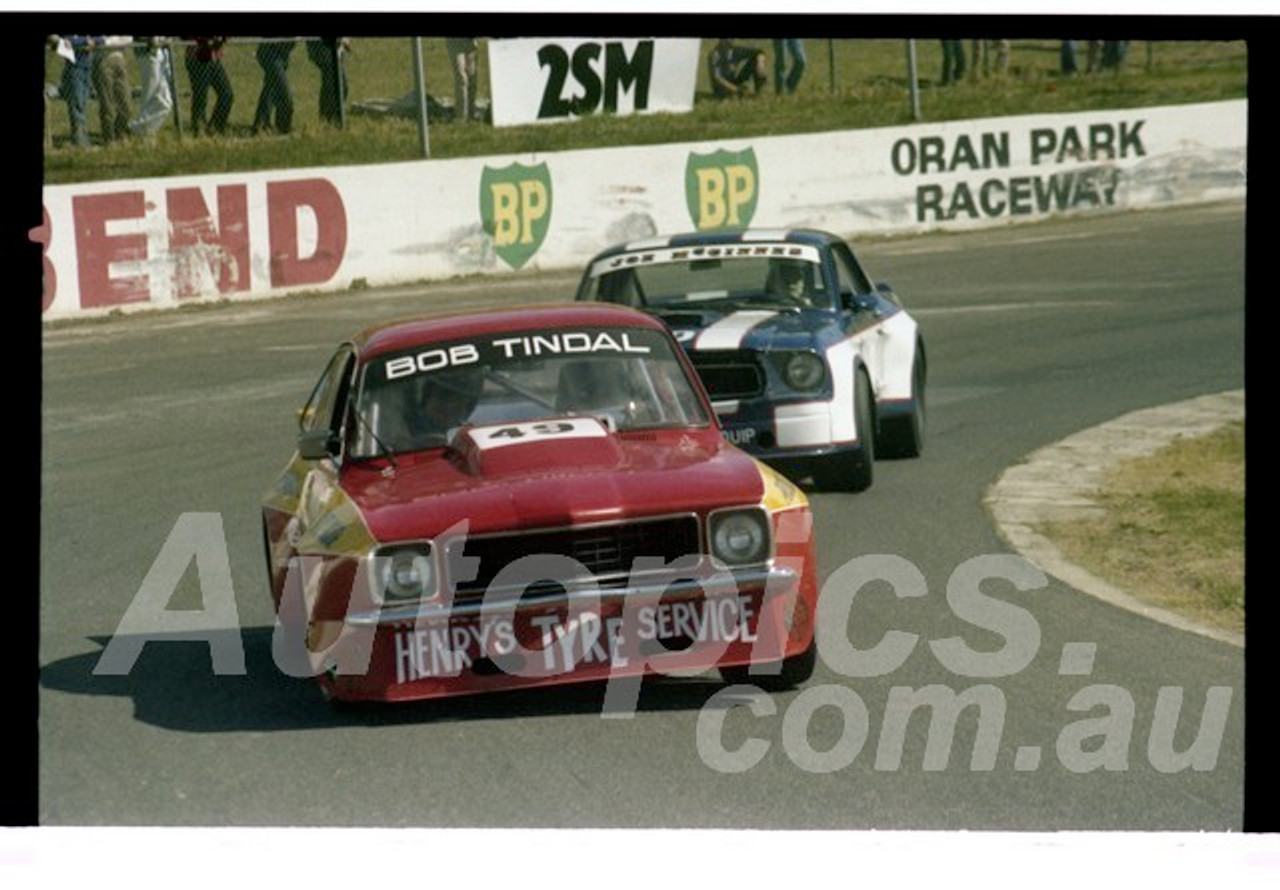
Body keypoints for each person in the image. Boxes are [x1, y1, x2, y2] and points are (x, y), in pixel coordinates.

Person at [48, 34, 99, 147]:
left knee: (83, 104)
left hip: (87, 67)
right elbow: (57, 39)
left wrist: (94, 41)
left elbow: (100, 39)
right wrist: (84, 41)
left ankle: (82, 138)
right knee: (77, 105)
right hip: (74, 68)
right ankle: (80, 142)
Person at [183, 36, 233, 136]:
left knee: (227, 94)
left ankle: (215, 127)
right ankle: (199, 128)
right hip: (197, 58)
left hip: (213, 58)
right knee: (201, 96)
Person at [130, 36, 175, 136]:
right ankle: (141, 131)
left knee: (167, 102)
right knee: (149, 96)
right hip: (147, 53)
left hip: (162, 52)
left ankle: (140, 129)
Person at [92, 35, 133, 143]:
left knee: (126, 105)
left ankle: (120, 131)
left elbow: (128, 39)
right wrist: (113, 41)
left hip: (119, 60)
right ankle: (109, 138)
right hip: (103, 60)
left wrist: (108, 41)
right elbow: (97, 41)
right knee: (107, 103)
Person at [251, 37, 295, 134]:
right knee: (285, 94)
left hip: (282, 56)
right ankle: (283, 128)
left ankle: (260, 125)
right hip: (270, 55)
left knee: (270, 89)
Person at [307, 37, 350, 126]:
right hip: (319, 45)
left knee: (340, 85)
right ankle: (328, 120)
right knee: (332, 80)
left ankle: (332, 119)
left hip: (335, 45)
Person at [445, 37, 479, 122]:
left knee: (471, 77)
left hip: (469, 42)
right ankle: (461, 116)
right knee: (461, 78)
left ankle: (471, 113)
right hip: (455, 42)